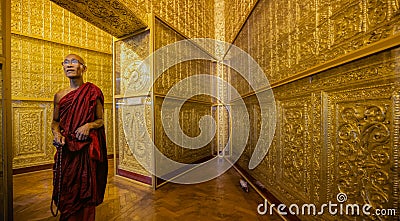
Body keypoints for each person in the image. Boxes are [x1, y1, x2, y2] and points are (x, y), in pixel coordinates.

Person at [51, 54, 108, 221]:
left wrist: (88, 125)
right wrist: (57, 133)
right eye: (66, 62)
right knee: (66, 186)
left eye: (74, 62)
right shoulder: (60, 95)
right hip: (66, 149)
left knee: (85, 188)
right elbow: (55, 122)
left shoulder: (93, 92)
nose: (69, 65)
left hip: (85, 150)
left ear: (84, 68)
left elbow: (100, 120)